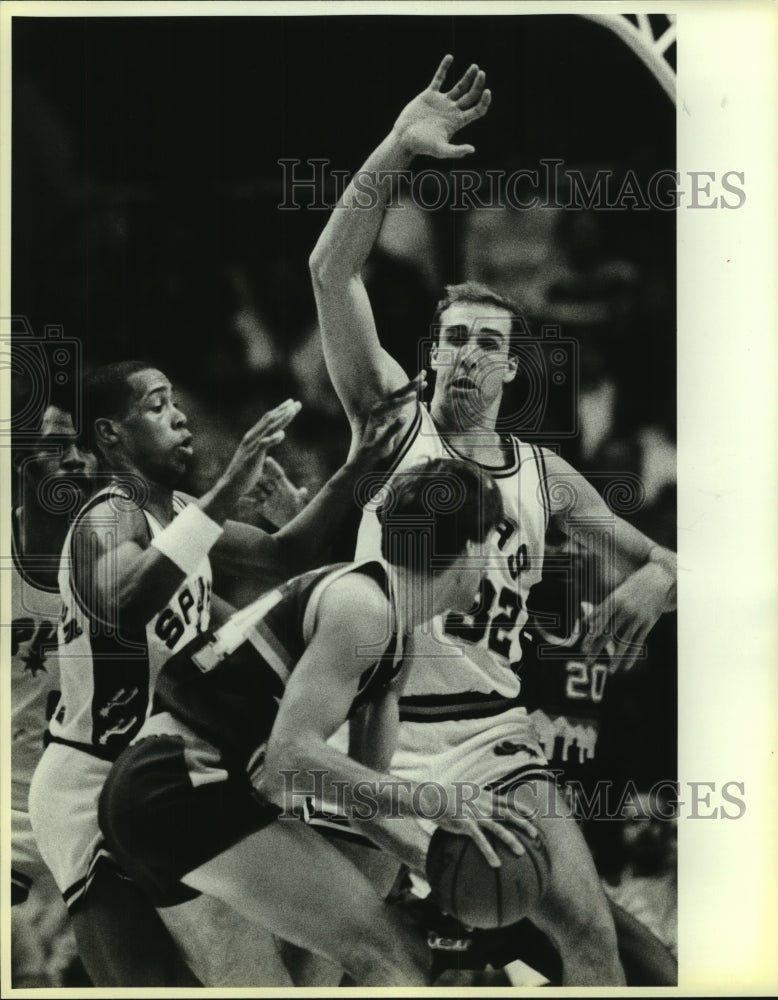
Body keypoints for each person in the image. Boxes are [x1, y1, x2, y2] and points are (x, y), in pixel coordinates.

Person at [309, 55, 677, 986]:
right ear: (429, 356)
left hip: (491, 735)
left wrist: (657, 575)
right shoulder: (390, 420)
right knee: (342, 959)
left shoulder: (547, 478)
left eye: (490, 345)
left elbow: (670, 560)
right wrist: (396, 147)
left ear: (513, 370)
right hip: (372, 731)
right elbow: (328, 270)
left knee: (590, 936)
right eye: (457, 340)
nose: (470, 357)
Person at [27, 359, 422, 985]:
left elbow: (284, 552)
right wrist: (231, 481)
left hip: (167, 765)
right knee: (152, 985)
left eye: (176, 400)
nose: (180, 416)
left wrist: (359, 464)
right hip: (88, 777)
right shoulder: (106, 515)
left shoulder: (183, 512)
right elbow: (128, 602)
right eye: (156, 406)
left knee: (245, 969)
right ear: (109, 435)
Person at [97, 456, 537, 987]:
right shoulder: (363, 608)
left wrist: (429, 863)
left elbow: (364, 800)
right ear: (469, 549)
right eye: (494, 541)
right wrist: (434, 799)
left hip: (165, 796)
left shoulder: (398, 634)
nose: (495, 561)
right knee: (395, 957)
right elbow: (289, 761)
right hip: (182, 783)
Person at [10, 403, 97, 986]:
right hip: (12, 815)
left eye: (80, 445)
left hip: (97, 815)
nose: (75, 460)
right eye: (55, 445)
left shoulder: (123, 546)